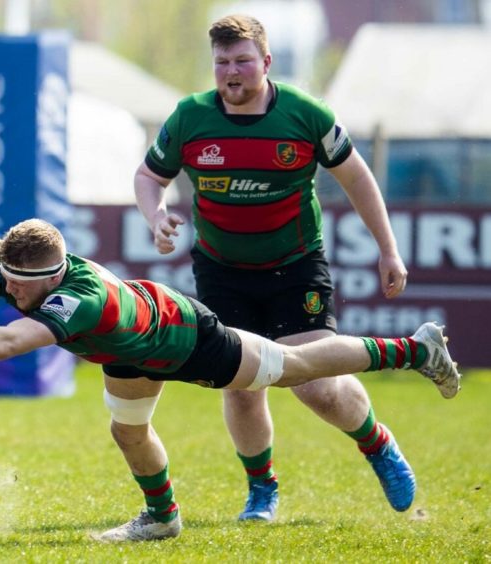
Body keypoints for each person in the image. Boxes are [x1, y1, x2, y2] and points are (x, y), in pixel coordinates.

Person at [0, 218, 460, 542]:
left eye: (20, 286)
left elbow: (9, 341)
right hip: (124, 353)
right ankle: (162, 517)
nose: (10, 292)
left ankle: (414, 349)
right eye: (6, 280)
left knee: (296, 369)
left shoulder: (79, 298)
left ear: (51, 276)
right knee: (128, 432)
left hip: (184, 339)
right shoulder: (16, 269)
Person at [132, 13, 426, 522]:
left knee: (314, 385)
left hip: (295, 265)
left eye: (243, 61)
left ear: (265, 62)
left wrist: (388, 248)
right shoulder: (190, 118)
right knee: (242, 385)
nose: (232, 72)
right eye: (222, 62)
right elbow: (147, 175)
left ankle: (377, 443)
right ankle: (262, 491)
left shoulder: (306, 114)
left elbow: (357, 178)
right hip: (222, 270)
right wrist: (155, 214)